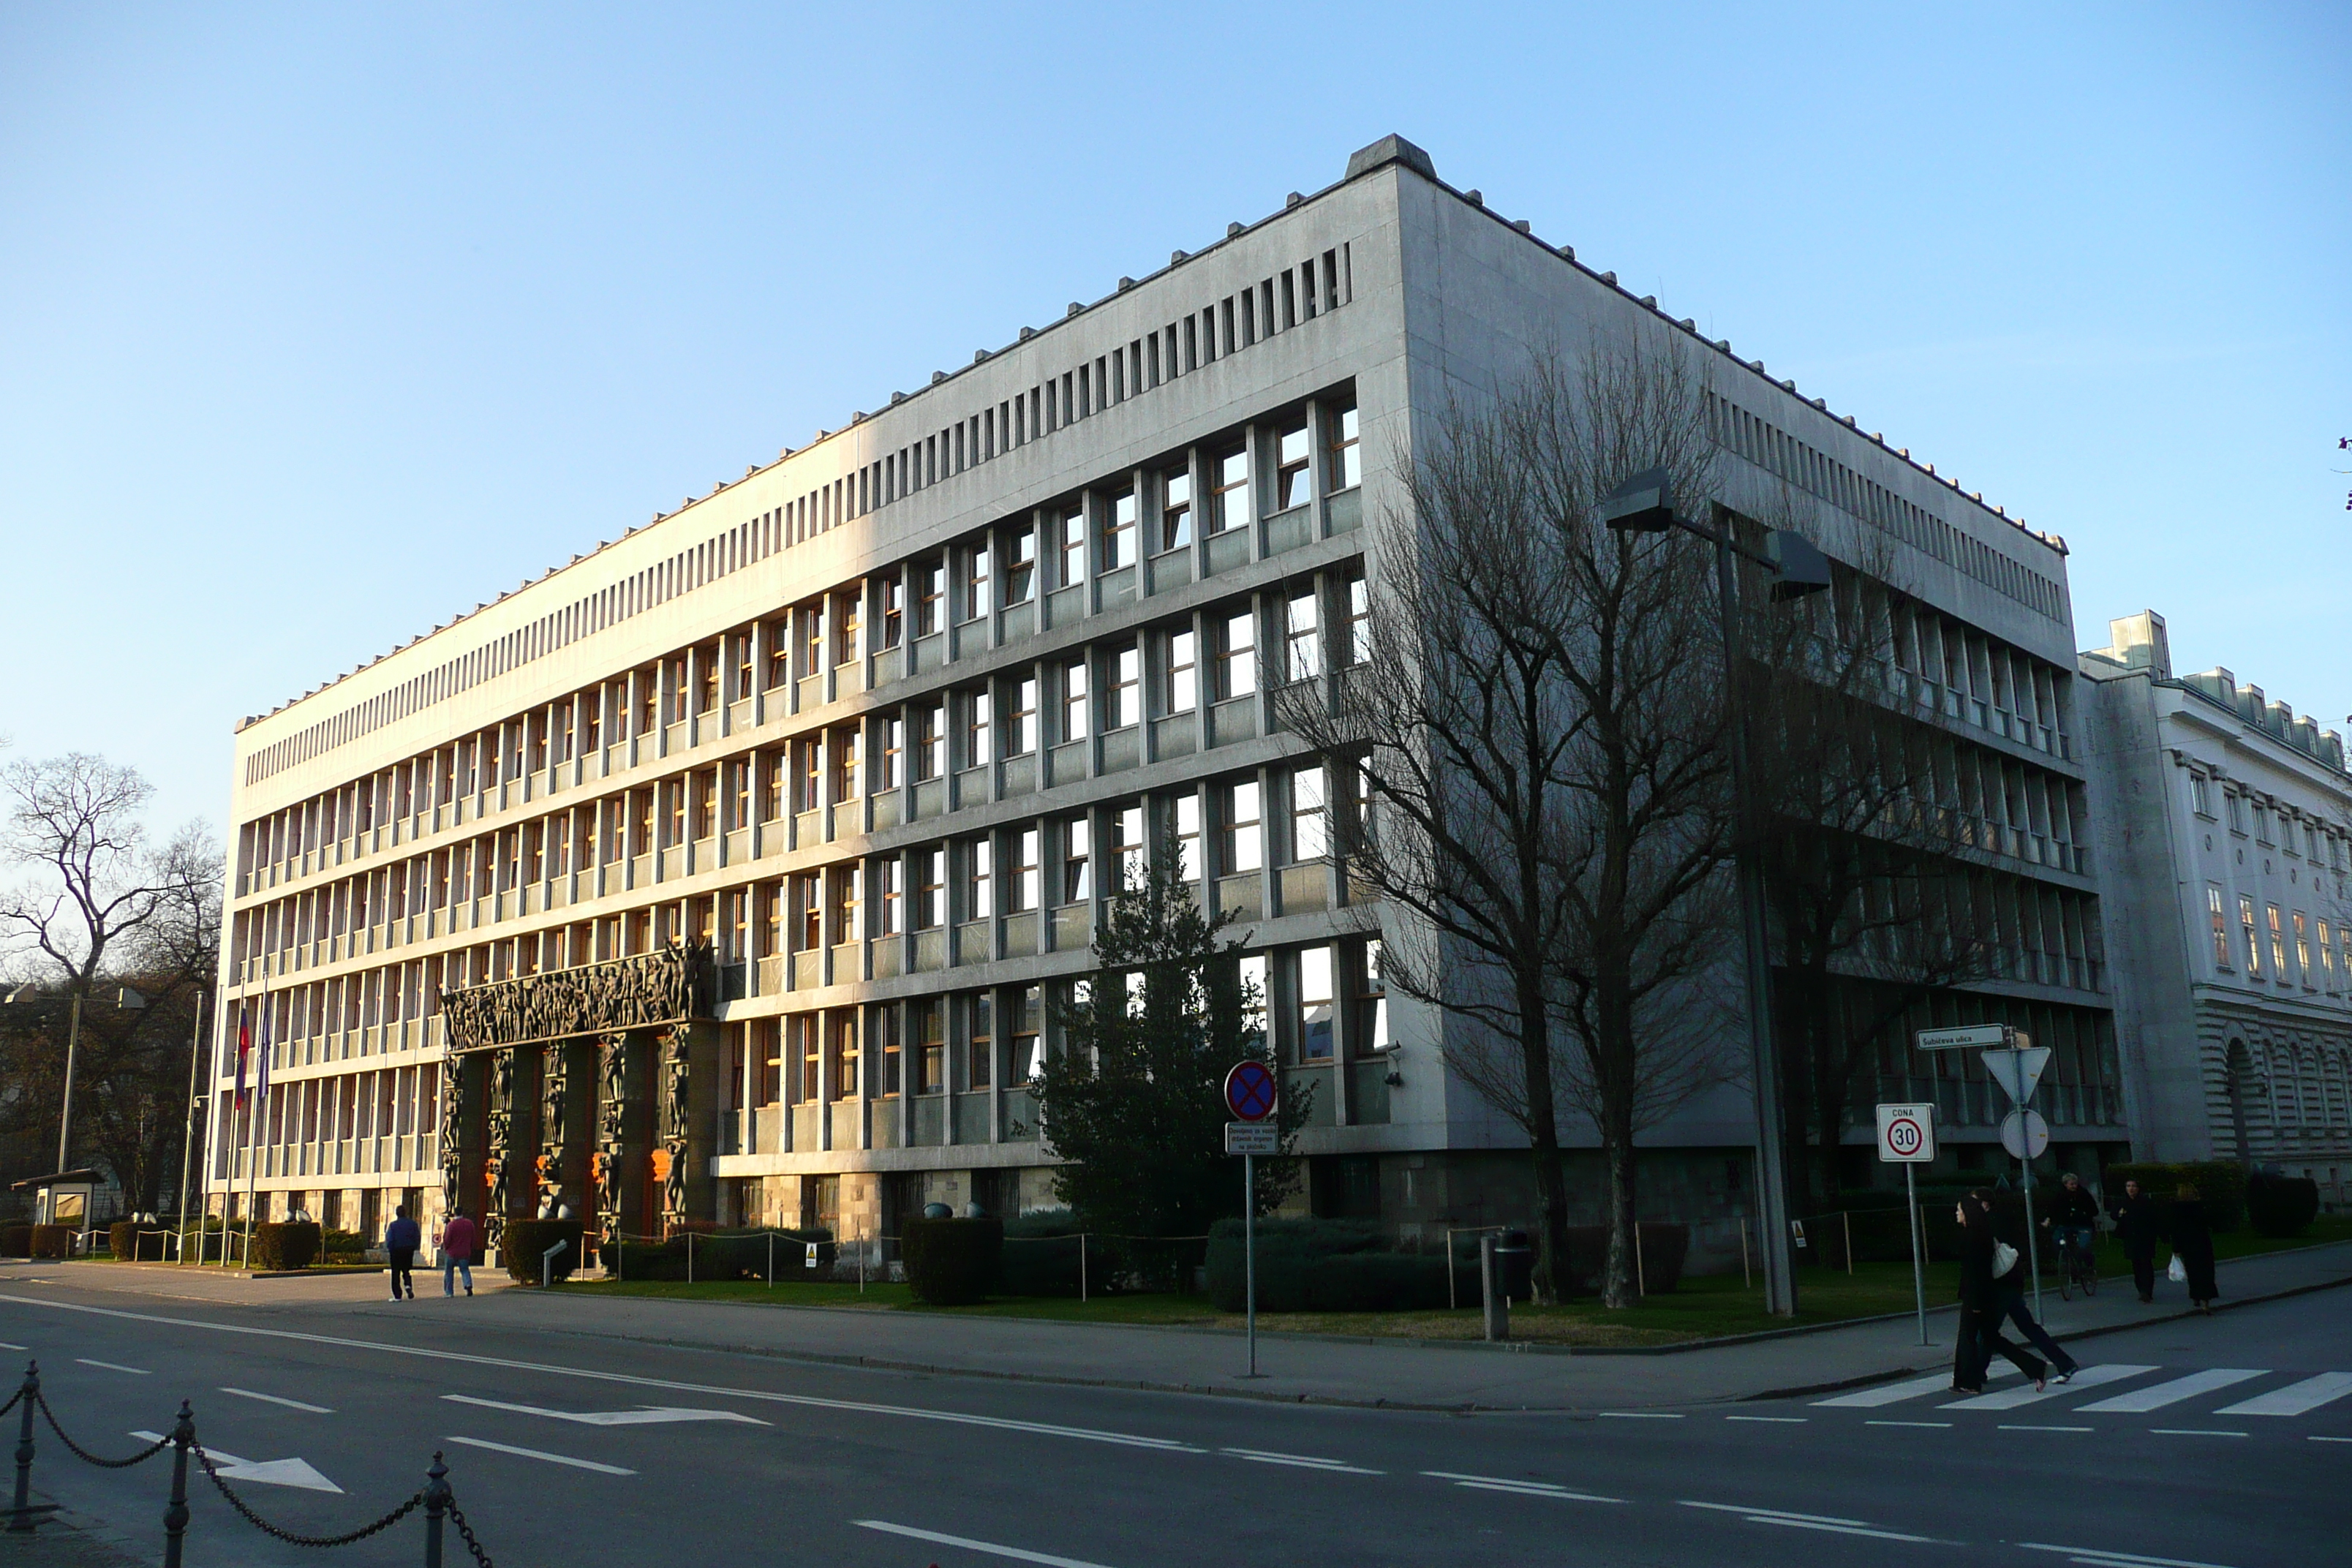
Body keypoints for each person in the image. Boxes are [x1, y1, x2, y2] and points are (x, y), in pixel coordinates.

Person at [1953, 1191, 2045, 1393]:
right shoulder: (1976, 1234)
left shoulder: (1975, 1238)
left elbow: (1978, 1272)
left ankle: (1968, 1382)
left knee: (1969, 1339)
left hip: (1977, 1298)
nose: (1957, 1213)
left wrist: (1976, 1303)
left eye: (1959, 1210)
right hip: (1978, 1296)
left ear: (1968, 1213)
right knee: (1990, 1338)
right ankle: (2035, 1367)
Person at [1994, 1191, 2079, 1382]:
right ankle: (2064, 1363)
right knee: (2025, 1328)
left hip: (2002, 1288)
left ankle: (1974, 1373)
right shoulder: (2005, 1218)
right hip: (2012, 1285)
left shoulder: (1992, 1223)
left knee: (1988, 1333)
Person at [2041, 1172, 2100, 1284]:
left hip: (2083, 1225)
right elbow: (2053, 1209)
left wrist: (2083, 1214)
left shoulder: (2083, 1194)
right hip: (2066, 1225)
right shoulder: (2060, 1195)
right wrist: (2048, 1220)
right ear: (2065, 1185)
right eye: (2071, 1184)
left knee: (2083, 1247)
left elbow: (2094, 1210)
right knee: (2057, 1240)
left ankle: (2089, 1267)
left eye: (2075, 1184)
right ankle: (2068, 1264)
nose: (2074, 1186)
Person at [2171, 1183, 2219, 1313]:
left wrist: (2176, 1248)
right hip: (2202, 1242)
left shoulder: (2177, 1208)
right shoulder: (2201, 1206)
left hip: (2187, 1244)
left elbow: (2176, 1229)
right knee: (2206, 1272)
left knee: (2193, 1272)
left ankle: (2196, 1296)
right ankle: (2206, 1301)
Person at [2112, 1177, 2160, 1302]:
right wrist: (2120, 1214)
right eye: (2128, 1186)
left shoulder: (2145, 1202)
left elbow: (2153, 1218)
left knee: (2146, 1264)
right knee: (2136, 1264)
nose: (2131, 1189)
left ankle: (2147, 1291)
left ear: (2138, 1189)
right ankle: (2140, 1289)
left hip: (2145, 1237)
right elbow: (2114, 1215)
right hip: (2130, 1237)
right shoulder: (2123, 1202)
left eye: (2133, 1186)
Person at [440, 1207, 478, 1298]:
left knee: (449, 1271)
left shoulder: (451, 1225)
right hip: (464, 1251)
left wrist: (446, 1247)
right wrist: (470, 1247)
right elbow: (473, 1237)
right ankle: (468, 1285)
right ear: (462, 1213)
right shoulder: (469, 1223)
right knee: (465, 1270)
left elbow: (447, 1238)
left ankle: (449, 1292)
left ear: (454, 1213)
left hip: (452, 1252)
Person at [385, 1205, 420, 1301]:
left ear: (397, 1214)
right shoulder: (412, 1224)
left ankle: (397, 1296)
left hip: (396, 1251)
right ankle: (408, 1285)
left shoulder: (393, 1225)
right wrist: (413, 1247)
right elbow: (417, 1237)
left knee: (395, 1273)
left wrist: (390, 1249)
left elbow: (390, 1239)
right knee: (406, 1271)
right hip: (408, 1250)